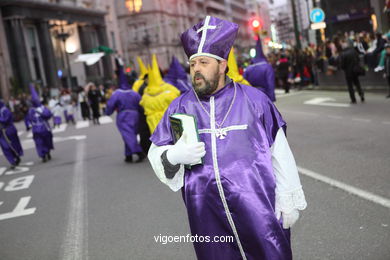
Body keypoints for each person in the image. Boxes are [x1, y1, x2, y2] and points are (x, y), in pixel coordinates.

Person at [148, 16, 307, 260]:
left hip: (258, 209)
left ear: (222, 65)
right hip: (207, 216)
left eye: (203, 62)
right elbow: (155, 152)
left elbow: (280, 152)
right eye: (192, 64)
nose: (196, 69)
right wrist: (173, 155)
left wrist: (289, 197)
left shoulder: (256, 101)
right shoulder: (179, 107)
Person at [106, 57, 145, 163]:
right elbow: (141, 104)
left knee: (128, 134)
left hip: (123, 116)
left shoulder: (117, 93)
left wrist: (108, 112)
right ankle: (128, 155)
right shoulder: (134, 93)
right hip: (135, 115)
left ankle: (138, 152)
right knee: (129, 134)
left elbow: (110, 106)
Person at [139, 54, 180, 133]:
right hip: (169, 121)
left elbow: (142, 104)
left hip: (153, 124)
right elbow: (177, 98)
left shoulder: (146, 93)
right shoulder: (168, 89)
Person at [27, 84, 54, 162]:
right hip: (36, 129)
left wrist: (41, 113)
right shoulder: (31, 110)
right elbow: (28, 119)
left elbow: (48, 115)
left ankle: (47, 151)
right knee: (39, 142)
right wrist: (28, 125)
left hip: (45, 127)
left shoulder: (43, 108)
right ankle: (43, 155)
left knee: (47, 140)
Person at [0, 100, 23, 169]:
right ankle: (12, 161)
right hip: (1, 133)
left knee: (13, 145)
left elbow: (6, 120)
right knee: (5, 147)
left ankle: (16, 156)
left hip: (9, 130)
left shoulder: (5, 110)